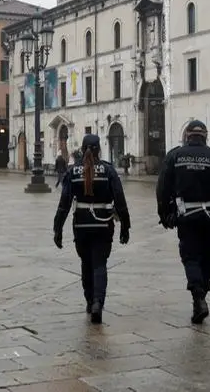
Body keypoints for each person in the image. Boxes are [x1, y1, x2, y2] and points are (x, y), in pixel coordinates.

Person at [157, 120, 210, 324]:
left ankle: (198, 297)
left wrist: (164, 214)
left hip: (186, 216)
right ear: (205, 136)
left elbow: (162, 189)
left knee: (190, 256)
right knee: (207, 255)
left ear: (187, 136)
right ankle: (201, 293)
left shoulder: (175, 156)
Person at [53, 134, 131, 324]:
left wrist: (58, 229)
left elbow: (64, 203)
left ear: (82, 149)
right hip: (103, 224)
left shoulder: (73, 171)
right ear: (99, 149)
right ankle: (98, 302)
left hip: (81, 225)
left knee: (86, 264)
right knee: (99, 264)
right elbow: (120, 201)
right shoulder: (108, 170)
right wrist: (125, 226)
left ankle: (89, 301)